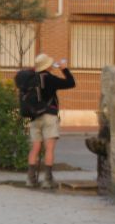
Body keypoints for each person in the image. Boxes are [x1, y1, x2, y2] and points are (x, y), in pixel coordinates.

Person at [19, 53, 76, 189]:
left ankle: (31, 179)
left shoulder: (30, 79)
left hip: (33, 117)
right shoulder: (49, 78)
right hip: (49, 116)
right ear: (47, 66)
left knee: (35, 148)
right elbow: (71, 83)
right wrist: (64, 69)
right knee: (49, 148)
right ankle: (47, 180)